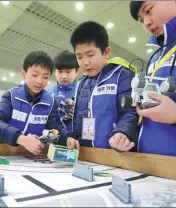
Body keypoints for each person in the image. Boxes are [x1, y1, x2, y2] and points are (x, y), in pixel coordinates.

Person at [0, 51, 80, 155]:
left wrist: (67, 137)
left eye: (45, 77)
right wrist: (20, 138)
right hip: (4, 153)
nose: (40, 81)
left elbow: (57, 128)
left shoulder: (50, 102)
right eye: (35, 75)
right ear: (23, 73)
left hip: (29, 156)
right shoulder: (12, 96)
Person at [70, 21, 139, 151]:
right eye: (79, 57)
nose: (85, 62)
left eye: (90, 55)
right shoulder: (81, 84)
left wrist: (123, 132)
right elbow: (80, 120)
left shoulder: (122, 75)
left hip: (114, 152)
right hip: (87, 153)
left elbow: (130, 112)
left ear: (106, 52)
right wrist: (73, 136)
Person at [130, 1, 176, 156]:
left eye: (149, 10)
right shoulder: (156, 57)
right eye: (141, 20)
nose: (147, 23)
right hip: (150, 161)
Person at [47, 50, 79, 131]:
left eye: (68, 72)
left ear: (77, 71)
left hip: (76, 139)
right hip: (52, 138)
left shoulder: (82, 92)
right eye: (60, 72)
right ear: (54, 72)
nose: (64, 76)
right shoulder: (47, 93)